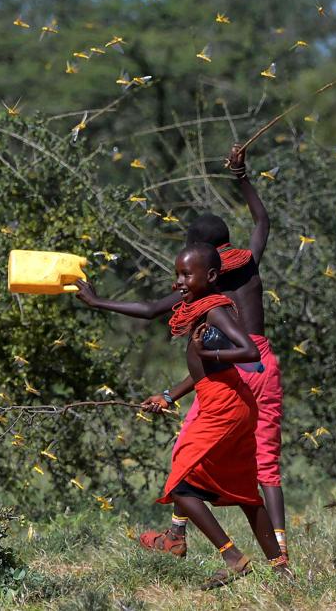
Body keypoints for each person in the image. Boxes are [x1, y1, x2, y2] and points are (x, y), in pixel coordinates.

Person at [75, 145, 289, 559]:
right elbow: (262, 221)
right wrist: (241, 175)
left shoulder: (206, 290)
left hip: (235, 367)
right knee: (262, 460)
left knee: (188, 448)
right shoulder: (249, 263)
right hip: (266, 364)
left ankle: (181, 537)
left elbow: (153, 310)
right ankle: (280, 553)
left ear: (203, 258)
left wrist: (100, 302)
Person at [139, 242, 286, 588]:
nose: (179, 281)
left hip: (223, 407)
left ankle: (233, 557)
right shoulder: (201, 308)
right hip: (229, 401)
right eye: (177, 274)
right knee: (246, 493)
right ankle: (282, 570)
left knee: (180, 486)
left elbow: (250, 351)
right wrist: (167, 396)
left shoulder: (216, 310)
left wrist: (211, 351)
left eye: (187, 274)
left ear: (212, 275)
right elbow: (202, 369)